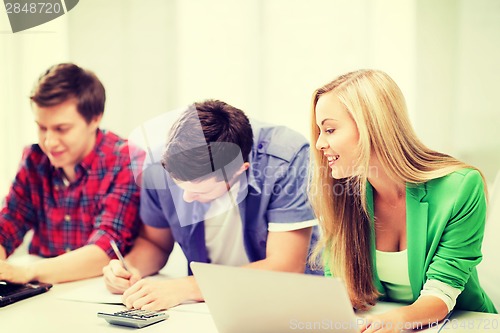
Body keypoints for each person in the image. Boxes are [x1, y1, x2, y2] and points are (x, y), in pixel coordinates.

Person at [309, 69, 497, 333]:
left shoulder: (461, 187)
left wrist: (397, 320)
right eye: (320, 131)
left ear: (372, 125)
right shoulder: (343, 196)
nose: (319, 143)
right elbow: (339, 291)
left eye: (329, 129)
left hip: (461, 325)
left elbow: (441, 292)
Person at [103, 100, 319, 310]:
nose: (186, 198)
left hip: (277, 305)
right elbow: (154, 243)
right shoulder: (159, 164)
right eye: (180, 186)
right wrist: (129, 268)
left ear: (238, 171)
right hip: (204, 309)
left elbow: (286, 267)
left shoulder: (286, 160)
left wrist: (186, 288)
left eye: (199, 190)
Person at [0, 63, 141, 284]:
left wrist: (29, 272)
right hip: (45, 291)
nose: (49, 142)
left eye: (61, 129)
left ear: (95, 118)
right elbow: (9, 222)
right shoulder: (34, 158)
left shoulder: (126, 160)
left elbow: (106, 248)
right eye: (42, 127)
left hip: (99, 288)